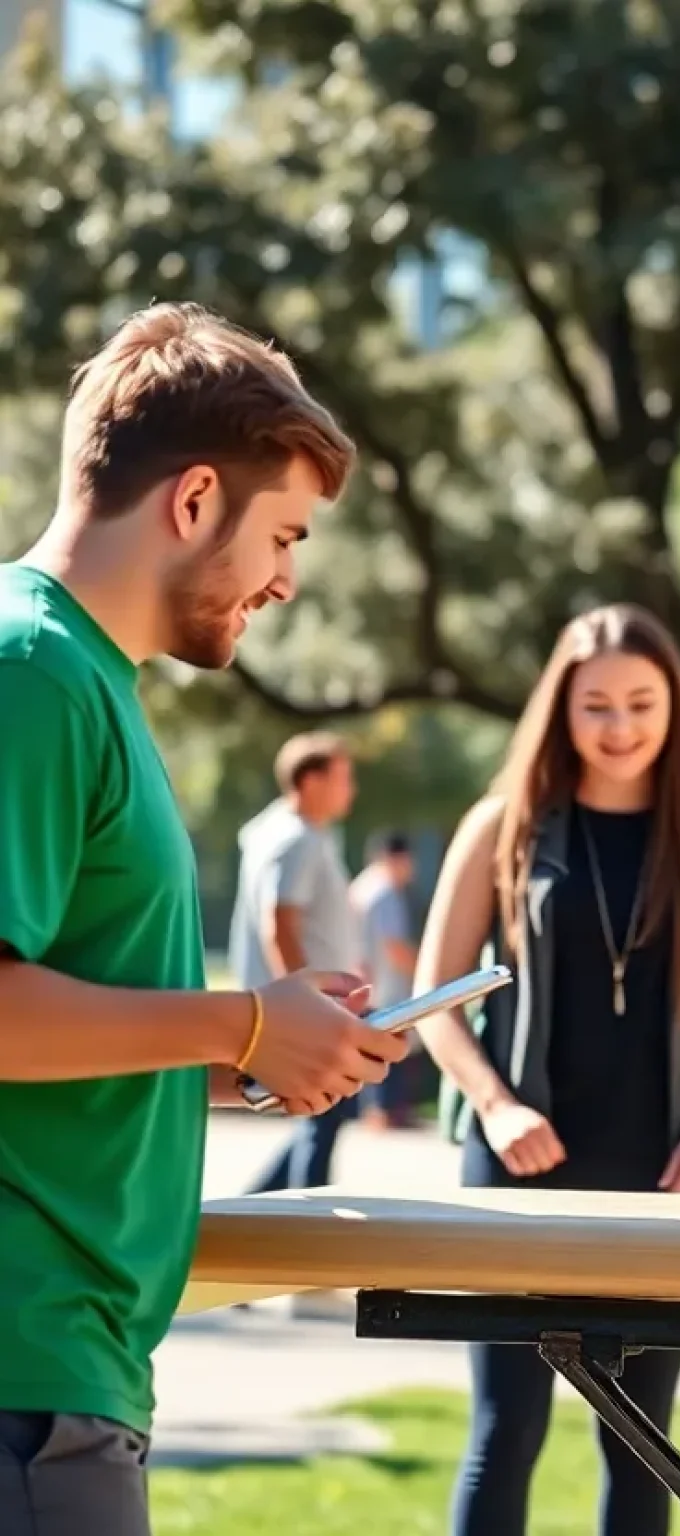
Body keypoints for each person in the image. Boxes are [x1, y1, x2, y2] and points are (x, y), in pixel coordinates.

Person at [0, 302, 410, 1535]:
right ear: (190, 503)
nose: (287, 579)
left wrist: (265, 1055)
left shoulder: (88, 680)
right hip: (26, 1370)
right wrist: (239, 1023)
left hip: (68, 1370)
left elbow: (79, 1020)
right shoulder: (32, 673)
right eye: (281, 533)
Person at [413, 601, 680, 1536]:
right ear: (560, 710)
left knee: (640, 1438)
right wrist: (492, 1107)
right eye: (596, 707)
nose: (619, 727)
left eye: (640, 704)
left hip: (666, 1170)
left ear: (673, 709)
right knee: (506, 1427)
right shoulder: (503, 824)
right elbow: (432, 999)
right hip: (518, 1167)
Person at [232, 731, 364, 1190]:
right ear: (310, 781)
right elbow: (280, 922)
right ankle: (309, 1211)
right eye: (343, 778)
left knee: (325, 1111)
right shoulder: (297, 839)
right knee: (323, 1108)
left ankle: (254, 1206)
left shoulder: (282, 831)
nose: (352, 790)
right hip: (311, 1004)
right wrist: (308, 1001)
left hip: (314, 1000)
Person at [350, 829, 421, 1128]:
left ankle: (374, 1109)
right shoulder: (385, 892)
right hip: (384, 985)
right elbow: (394, 945)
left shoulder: (361, 886)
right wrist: (424, 969)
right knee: (386, 1046)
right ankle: (383, 1110)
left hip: (361, 981)